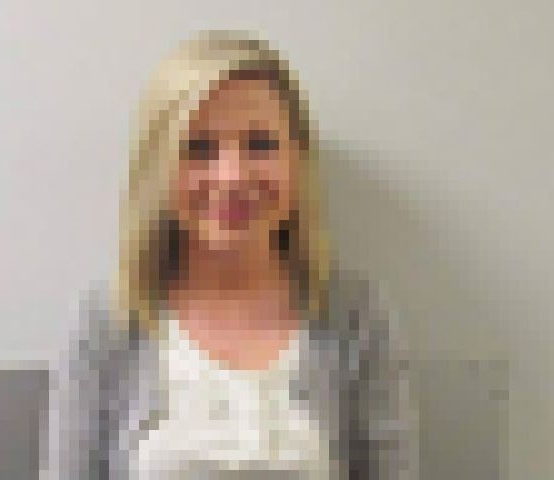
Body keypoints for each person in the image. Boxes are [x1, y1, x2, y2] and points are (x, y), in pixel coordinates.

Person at [59, 30, 411, 480]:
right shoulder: (106, 322)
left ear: (297, 160)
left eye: (260, 144)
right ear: (157, 167)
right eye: (198, 148)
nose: (231, 177)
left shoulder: (357, 316)